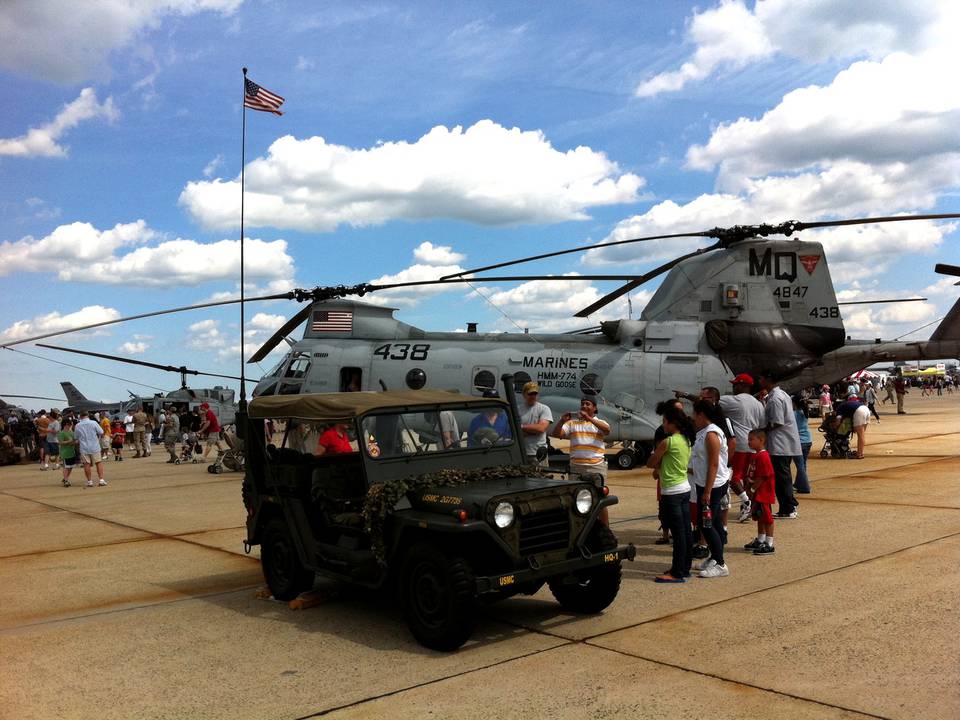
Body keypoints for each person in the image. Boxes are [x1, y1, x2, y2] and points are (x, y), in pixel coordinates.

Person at [647, 405, 695, 583]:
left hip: (671, 491)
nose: (663, 425)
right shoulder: (686, 439)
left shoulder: (668, 442)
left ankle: (677, 572)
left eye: (665, 422)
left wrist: (658, 461)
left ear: (672, 423)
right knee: (686, 531)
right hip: (684, 488)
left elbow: (651, 462)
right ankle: (685, 567)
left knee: (678, 533)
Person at [551, 396, 611, 524]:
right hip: (576, 467)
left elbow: (607, 430)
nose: (584, 406)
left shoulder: (600, 422)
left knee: (600, 499)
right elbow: (557, 434)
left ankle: (605, 529)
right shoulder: (572, 423)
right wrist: (562, 421)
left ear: (594, 408)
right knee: (575, 499)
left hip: (595, 466)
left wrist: (589, 419)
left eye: (588, 404)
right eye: (582, 404)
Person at [688, 400, 731, 577]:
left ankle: (720, 564)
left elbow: (714, 464)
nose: (692, 418)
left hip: (712, 485)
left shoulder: (711, 434)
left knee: (706, 524)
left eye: (694, 414)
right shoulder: (703, 432)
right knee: (714, 522)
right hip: (703, 483)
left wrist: (707, 491)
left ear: (701, 414)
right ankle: (715, 557)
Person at [718, 374, 764, 522]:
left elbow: (709, 401)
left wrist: (686, 395)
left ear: (744, 386)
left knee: (733, 478)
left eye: (736, 384)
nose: (733, 387)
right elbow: (762, 425)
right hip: (753, 444)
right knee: (748, 479)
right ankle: (749, 508)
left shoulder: (735, 401)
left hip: (740, 445)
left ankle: (746, 502)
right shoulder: (758, 404)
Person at [758, 370, 801, 519]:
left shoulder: (776, 398)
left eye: (761, 378)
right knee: (783, 477)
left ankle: (788, 507)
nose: (760, 380)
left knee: (782, 478)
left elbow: (777, 421)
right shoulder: (780, 394)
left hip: (780, 444)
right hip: (783, 443)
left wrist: (762, 431)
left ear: (768, 380)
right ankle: (788, 505)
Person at [742, 429, 777, 555]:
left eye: (752, 439)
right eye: (748, 439)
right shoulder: (755, 455)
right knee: (759, 516)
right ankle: (761, 539)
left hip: (763, 493)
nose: (749, 442)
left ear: (761, 440)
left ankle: (769, 542)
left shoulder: (763, 456)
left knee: (767, 518)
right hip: (757, 493)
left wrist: (752, 489)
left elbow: (763, 476)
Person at [518, 382, 553, 464]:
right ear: (524, 394)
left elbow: (541, 428)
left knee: (540, 476)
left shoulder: (544, 409)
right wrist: (534, 431)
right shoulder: (518, 409)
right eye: (530, 394)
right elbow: (515, 432)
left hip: (538, 454)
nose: (533, 396)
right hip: (522, 453)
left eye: (535, 394)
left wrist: (521, 427)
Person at [74, 411, 106, 487]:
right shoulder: (94, 423)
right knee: (98, 462)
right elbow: (101, 432)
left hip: (84, 447)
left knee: (86, 464)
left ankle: (89, 481)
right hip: (94, 446)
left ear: (80, 416)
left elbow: (76, 437)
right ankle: (101, 480)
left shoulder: (78, 425)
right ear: (87, 415)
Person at [791, 394, 812, 493]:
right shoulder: (804, 412)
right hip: (807, 440)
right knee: (802, 464)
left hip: (799, 442)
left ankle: (805, 487)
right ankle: (798, 484)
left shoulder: (793, 414)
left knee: (800, 465)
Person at [57, 417, 78, 487]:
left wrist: (75, 442)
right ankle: (66, 480)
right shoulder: (61, 433)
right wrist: (69, 441)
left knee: (71, 466)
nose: (70, 426)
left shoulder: (71, 432)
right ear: (66, 424)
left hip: (71, 451)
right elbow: (60, 442)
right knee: (66, 467)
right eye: (69, 424)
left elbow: (74, 440)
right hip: (65, 452)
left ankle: (65, 478)